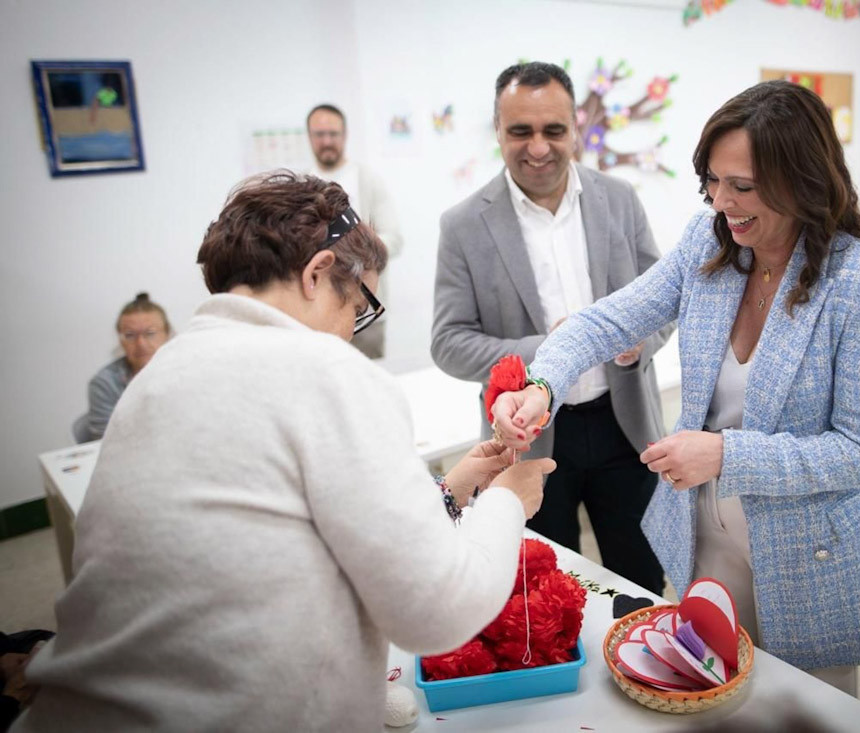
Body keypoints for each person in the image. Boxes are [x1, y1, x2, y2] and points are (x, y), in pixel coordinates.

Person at [13, 173, 554, 733]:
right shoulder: (327, 371)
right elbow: (438, 612)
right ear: (318, 273)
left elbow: (281, 532)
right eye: (361, 305)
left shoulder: (161, 375)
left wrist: (453, 486)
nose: (351, 331)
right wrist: (506, 504)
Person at [491, 80, 860, 696]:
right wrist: (543, 383)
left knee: (804, 706)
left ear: (803, 179)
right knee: (710, 688)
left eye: (742, 186)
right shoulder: (710, 245)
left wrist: (723, 454)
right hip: (705, 534)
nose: (722, 202)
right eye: (712, 182)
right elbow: (608, 319)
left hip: (808, 553)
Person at [431, 62, 672, 595]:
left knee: (641, 583)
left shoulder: (620, 199)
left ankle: (645, 679)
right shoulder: (464, 224)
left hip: (625, 425)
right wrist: (559, 345)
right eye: (520, 131)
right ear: (497, 130)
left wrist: (637, 341)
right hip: (526, 440)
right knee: (545, 589)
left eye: (553, 130)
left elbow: (664, 300)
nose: (538, 147)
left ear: (575, 130)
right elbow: (448, 342)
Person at [307, 103, 403, 359]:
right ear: (309, 137)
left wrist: (348, 254)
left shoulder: (367, 179)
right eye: (319, 134)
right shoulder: (302, 186)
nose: (327, 140)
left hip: (365, 309)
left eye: (333, 133)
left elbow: (394, 238)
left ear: (345, 135)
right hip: (316, 314)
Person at [72, 293, 170, 442]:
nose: (141, 344)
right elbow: (106, 443)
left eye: (150, 333)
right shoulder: (105, 383)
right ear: (120, 339)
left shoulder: (185, 373)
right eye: (130, 335)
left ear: (167, 334)